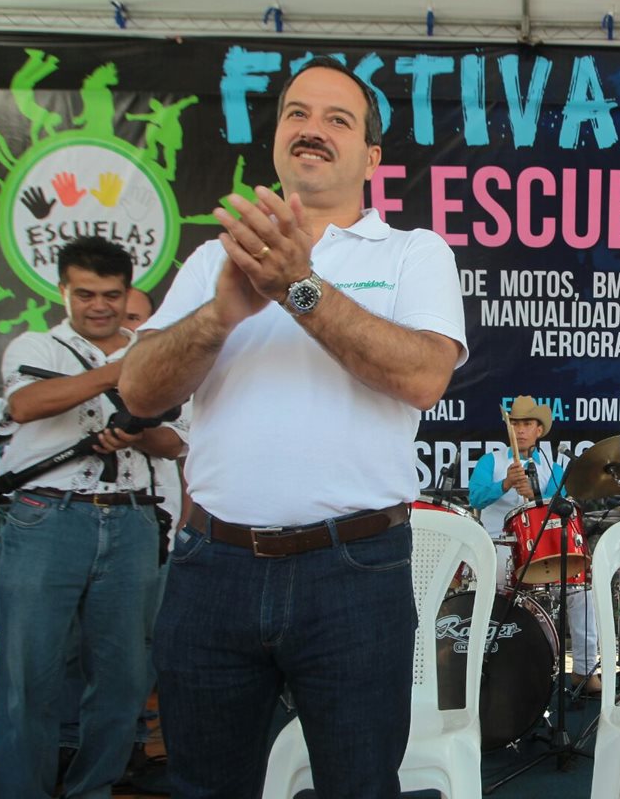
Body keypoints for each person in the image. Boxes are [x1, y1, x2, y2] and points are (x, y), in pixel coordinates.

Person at [117, 56, 467, 798]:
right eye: (297, 115)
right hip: (213, 568)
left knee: (359, 787)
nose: (313, 129)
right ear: (277, 139)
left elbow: (423, 376)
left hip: (354, 572)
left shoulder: (413, 252)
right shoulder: (213, 259)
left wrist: (297, 288)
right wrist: (220, 314)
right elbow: (139, 390)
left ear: (371, 158)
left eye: (338, 119)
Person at [0, 236, 185, 799]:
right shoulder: (38, 345)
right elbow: (25, 405)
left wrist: (137, 431)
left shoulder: (158, 351)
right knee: (30, 678)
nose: (99, 306)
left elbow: (176, 442)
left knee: (124, 681)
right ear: (63, 291)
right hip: (46, 517)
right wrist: (121, 373)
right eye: (85, 294)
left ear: (127, 292)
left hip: (133, 522)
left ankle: (93, 790)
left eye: (111, 295)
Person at [468, 395, 601, 694]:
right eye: (515, 424)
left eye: (527, 424)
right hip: (499, 547)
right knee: (488, 596)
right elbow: (475, 497)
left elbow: (562, 507)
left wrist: (535, 493)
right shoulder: (491, 461)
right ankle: (482, 669)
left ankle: (583, 671)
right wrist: (504, 484)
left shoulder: (553, 468)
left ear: (539, 430)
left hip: (542, 548)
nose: (520, 430)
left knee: (581, 589)